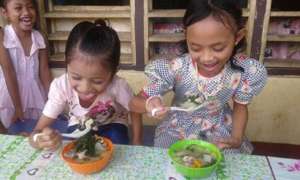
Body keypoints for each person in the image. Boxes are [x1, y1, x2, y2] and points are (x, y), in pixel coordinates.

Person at [129, 0, 267, 153]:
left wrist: (236, 138)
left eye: (218, 48)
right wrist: (148, 104)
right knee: (170, 164)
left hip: (219, 129)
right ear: (186, 36)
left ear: (237, 37)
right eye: (196, 48)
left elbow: (240, 107)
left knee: (226, 165)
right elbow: (134, 103)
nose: (207, 58)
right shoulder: (177, 68)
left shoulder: (242, 71)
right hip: (177, 130)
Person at [29, 19, 143, 150]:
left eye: (97, 81)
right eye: (76, 77)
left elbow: (135, 109)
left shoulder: (118, 85)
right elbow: (37, 131)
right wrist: (39, 139)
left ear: (113, 73)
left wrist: (137, 141)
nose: (85, 88)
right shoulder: (61, 86)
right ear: (66, 65)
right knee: (78, 148)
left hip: (113, 124)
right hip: (79, 124)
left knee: (117, 145)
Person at [0, 0, 52, 132]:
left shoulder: (39, 37)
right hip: (10, 98)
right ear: (5, 13)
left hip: (36, 95)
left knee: (35, 134)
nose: (26, 12)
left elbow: (44, 72)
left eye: (30, 7)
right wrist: (17, 107)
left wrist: (52, 100)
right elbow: (8, 72)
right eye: (18, 8)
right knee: (13, 134)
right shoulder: (3, 36)